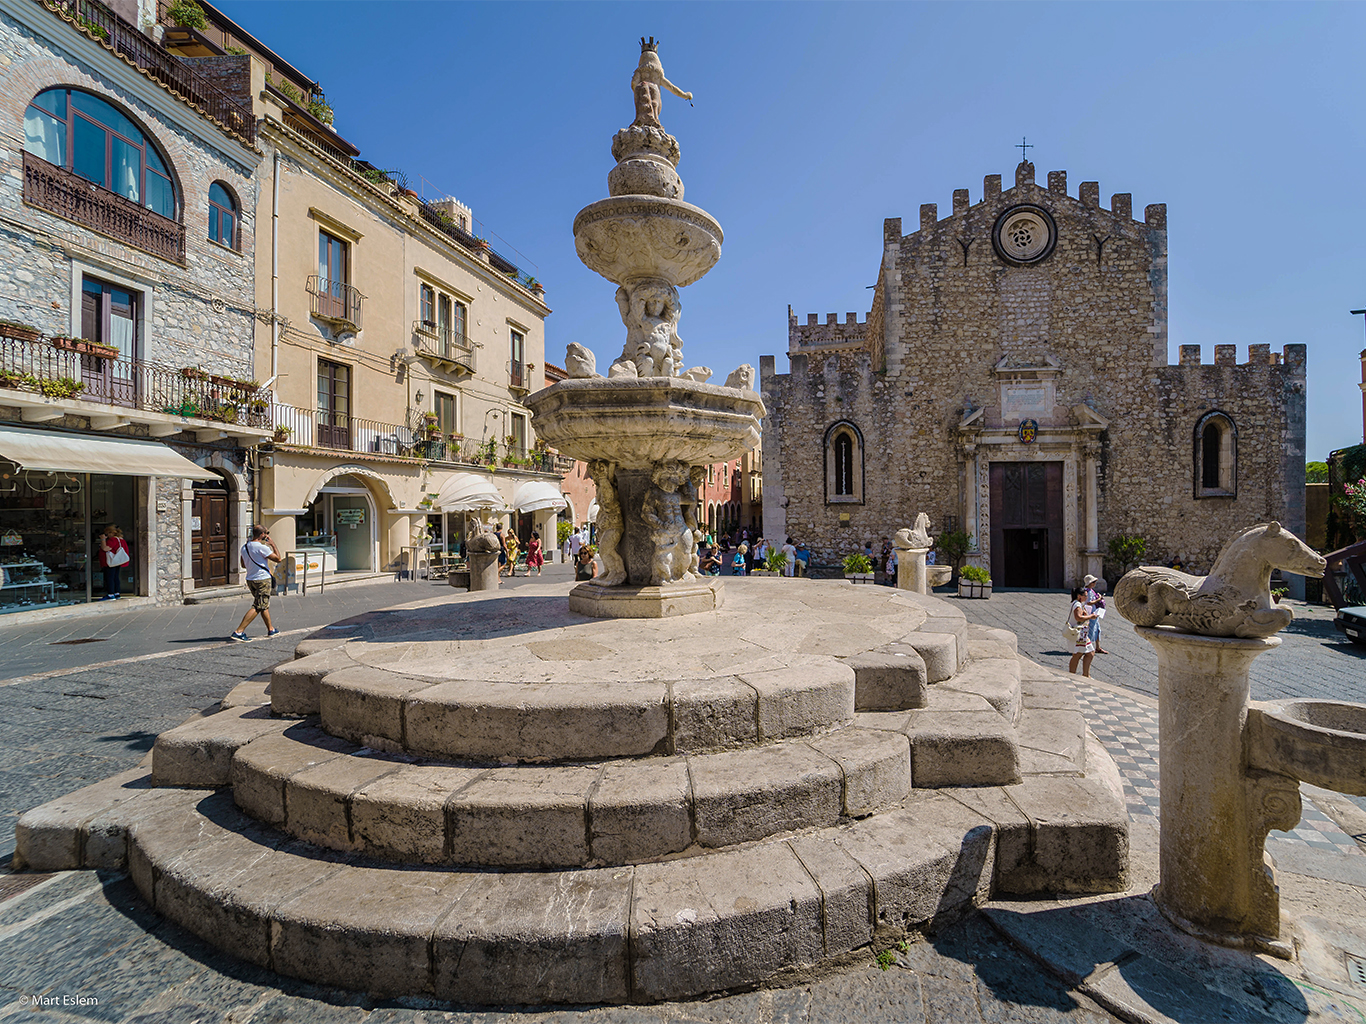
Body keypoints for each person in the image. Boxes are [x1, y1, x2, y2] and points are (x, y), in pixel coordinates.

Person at [231, 525, 282, 641]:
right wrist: (273, 545)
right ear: (262, 535)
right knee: (258, 606)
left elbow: (243, 565)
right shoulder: (262, 548)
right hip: (262, 579)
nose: (267, 536)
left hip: (250, 579)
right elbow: (278, 559)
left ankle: (271, 629)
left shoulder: (244, 547)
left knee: (262, 604)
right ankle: (239, 631)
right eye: (266, 533)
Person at [1067, 587, 1096, 677]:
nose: (1087, 597)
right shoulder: (1077, 605)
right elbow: (1078, 617)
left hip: (1082, 634)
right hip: (1078, 633)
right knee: (1077, 655)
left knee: (1090, 652)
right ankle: (1072, 675)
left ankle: (1086, 675)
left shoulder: (1079, 604)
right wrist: (1090, 616)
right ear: (1079, 596)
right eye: (1085, 596)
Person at [97, 524, 129, 600]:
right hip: (116, 562)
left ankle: (110, 594)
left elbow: (105, 548)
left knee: (109, 577)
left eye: (107, 534)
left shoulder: (113, 540)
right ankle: (116, 593)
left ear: (111, 533)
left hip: (110, 562)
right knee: (115, 577)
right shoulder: (121, 540)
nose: (106, 535)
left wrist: (103, 540)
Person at [1082, 573, 1109, 654]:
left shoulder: (1090, 590)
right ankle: (1087, 647)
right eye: (1093, 582)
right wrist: (1098, 600)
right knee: (1091, 629)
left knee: (1097, 629)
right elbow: (1088, 602)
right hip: (1091, 612)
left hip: (1094, 612)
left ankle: (1097, 647)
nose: (1095, 583)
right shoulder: (1088, 592)